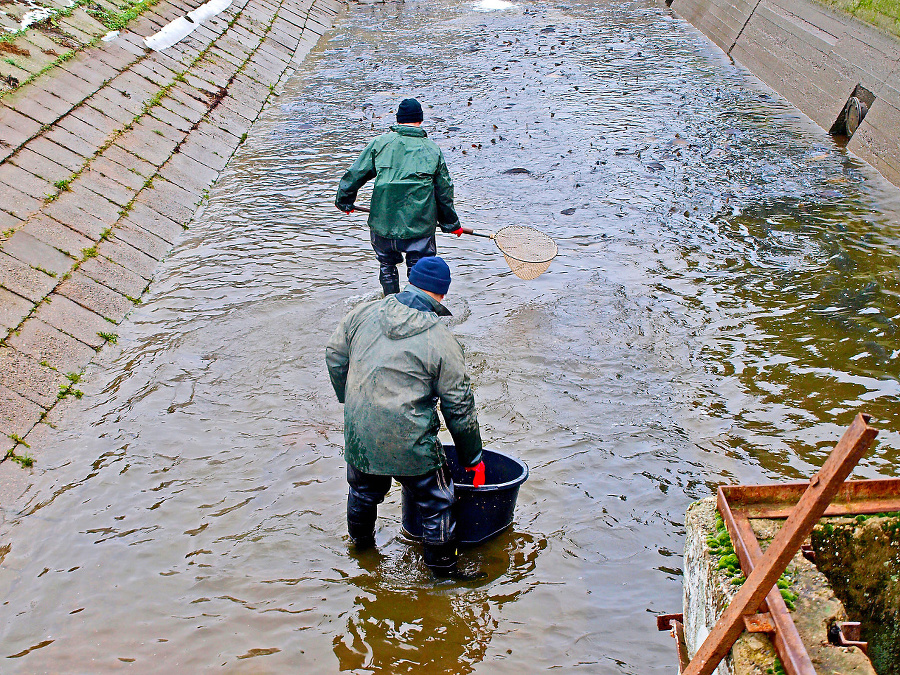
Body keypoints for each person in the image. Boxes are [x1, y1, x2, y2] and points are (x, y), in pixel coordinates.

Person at [325, 257, 485, 579]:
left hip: (362, 434)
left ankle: (361, 553)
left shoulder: (363, 313)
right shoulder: (441, 338)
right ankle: (444, 577)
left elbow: (334, 353)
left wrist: (350, 400)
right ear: (441, 294)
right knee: (437, 500)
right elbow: (459, 405)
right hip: (411, 442)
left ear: (410, 281)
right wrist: (473, 457)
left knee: (362, 492)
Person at [335, 98, 463, 297]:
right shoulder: (432, 149)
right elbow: (444, 191)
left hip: (383, 224)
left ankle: (389, 306)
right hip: (419, 226)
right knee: (419, 268)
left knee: (386, 265)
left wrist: (345, 202)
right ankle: (416, 313)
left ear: (398, 120)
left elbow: (355, 174)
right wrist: (451, 224)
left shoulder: (380, 143)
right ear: (419, 121)